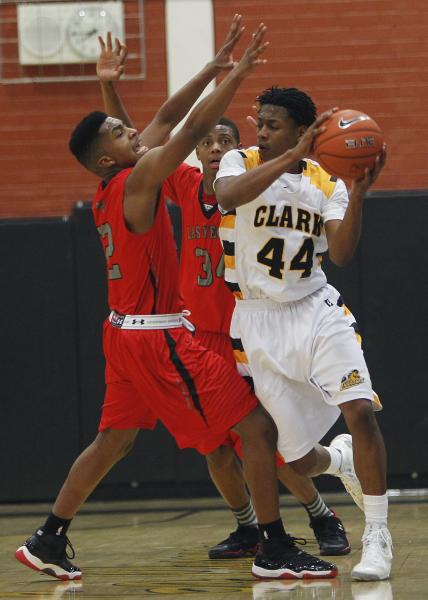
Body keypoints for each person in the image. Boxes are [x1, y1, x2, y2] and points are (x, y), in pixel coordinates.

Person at [15, 18, 338, 582]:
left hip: (125, 332)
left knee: (113, 439)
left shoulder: (124, 178)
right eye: (120, 134)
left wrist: (212, 68)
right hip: (159, 334)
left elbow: (163, 122)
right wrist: (236, 73)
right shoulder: (141, 182)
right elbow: (183, 132)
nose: (135, 134)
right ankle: (273, 547)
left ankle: (48, 536)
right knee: (257, 430)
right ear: (107, 161)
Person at [97, 34, 351, 559]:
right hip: (198, 336)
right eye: (206, 141)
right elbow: (136, 153)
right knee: (215, 449)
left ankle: (321, 515)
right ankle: (248, 527)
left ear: (239, 151)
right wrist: (109, 89)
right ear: (196, 153)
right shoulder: (185, 185)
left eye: (224, 141)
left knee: (272, 443)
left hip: (249, 331)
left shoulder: (255, 185)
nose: (214, 148)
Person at [214, 85, 392, 581]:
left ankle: (377, 537)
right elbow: (227, 197)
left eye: (273, 124)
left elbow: (341, 254)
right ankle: (339, 460)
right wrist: (288, 155)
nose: (261, 131)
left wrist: (358, 192)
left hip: (315, 309)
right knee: (297, 461)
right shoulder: (236, 161)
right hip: (257, 321)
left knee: (359, 409)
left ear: (300, 129)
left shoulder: (325, 182)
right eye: (260, 122)